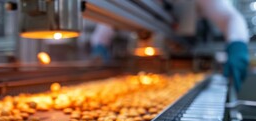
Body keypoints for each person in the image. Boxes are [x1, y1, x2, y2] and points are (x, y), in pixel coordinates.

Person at [90, 0, 249, 91]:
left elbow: (230, 18)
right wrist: (100, 45)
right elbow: (109, 17)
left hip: (185, 58)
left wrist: (238, 46)